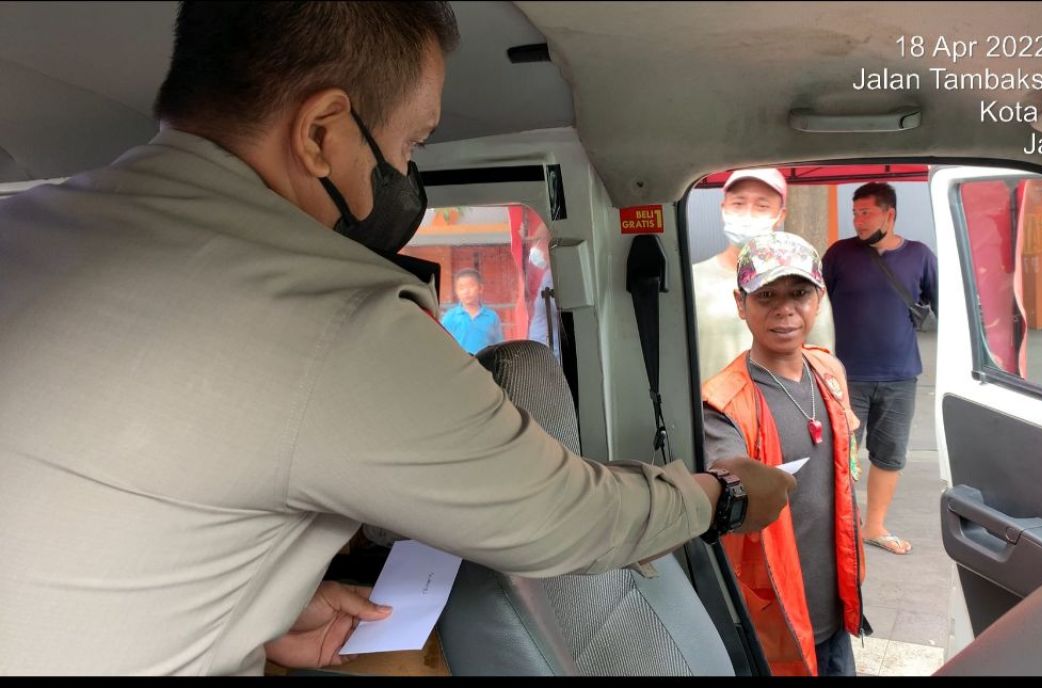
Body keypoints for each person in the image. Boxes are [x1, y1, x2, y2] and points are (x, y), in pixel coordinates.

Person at [0, 2, 796, 675]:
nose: (410, 173)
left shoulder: (25, 229)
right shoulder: (332, 315)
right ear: (321, 135)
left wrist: (256, 606)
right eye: (412, 145)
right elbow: (565, 519)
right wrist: (719, 496)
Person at [702, 232, 866, 677]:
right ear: (741, 304)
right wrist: (730, 477)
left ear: (819, 298)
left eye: (799, 293)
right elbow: (726, 469)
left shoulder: (829, 370)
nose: (785, 309)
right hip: (775, 619)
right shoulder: (724, 402)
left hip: (837, 604)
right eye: (766, 295)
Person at [821, 182, 938, 556]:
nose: (857, 220)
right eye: (855, 213)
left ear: (890, 214)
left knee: (889, 454)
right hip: (846, 375)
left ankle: (873, 526)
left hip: (900, 375)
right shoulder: (840, 254)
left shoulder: (919, 255)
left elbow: (943, 304)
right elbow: (817, 306)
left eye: (865, 212)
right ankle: (837, 526)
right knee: (839, 454)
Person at [693, 168, 835, 383]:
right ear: (723, 209)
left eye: (762, 205)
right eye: (739, 203)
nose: (748, 213)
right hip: (711, 412)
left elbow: (823, 358)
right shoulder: (693, 280)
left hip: (783, 411)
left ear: (781, 215)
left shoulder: (805, 281)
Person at [440, 268, 503, 354]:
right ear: (456, 292)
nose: (466, 291)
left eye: (471, 286)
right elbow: (442, 346)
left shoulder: (492, 316)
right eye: (461, 288)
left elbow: (499, 346)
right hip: (460, 365)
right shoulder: (450, 317)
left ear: (480, 288)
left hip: (484, 365)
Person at [525, 219, 561, 361]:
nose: (535, 247)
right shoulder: (549, 274)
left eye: (538, 241)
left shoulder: (555, 277)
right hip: (543, 354)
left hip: (552, 355)